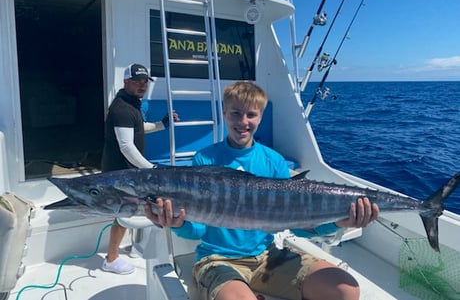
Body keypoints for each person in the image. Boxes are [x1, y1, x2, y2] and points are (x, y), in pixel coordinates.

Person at [145, 81, 379, 300]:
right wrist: (178, 224)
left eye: (251, 114)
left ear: (260, 117)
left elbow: (300, 229)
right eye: (235, 113)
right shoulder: (205, 159)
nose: (243, 121)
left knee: (345, 289)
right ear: (224, 114)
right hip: (217, 259)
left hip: (268, 257)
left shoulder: (274, 161)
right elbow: (197, 231)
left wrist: (340, 222)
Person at [101, 63, 179, 275]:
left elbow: (137, 128)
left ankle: (130, 248)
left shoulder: (131, 104)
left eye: (145, 82)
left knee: (130, 211)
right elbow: (127, 147)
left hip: (128, 171)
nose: (142, 85)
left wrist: (162, 124)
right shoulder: (122, 108)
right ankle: (111, 258)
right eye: (137, 81)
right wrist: (152, 169)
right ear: (126, 82)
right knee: (122, 215)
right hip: (119, 172)